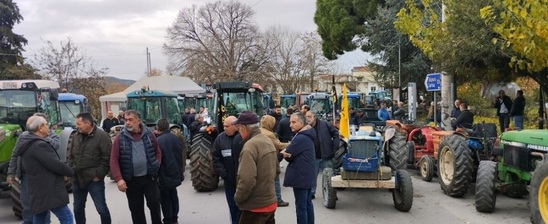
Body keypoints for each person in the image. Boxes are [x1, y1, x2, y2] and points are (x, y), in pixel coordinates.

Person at [110, 110, 162, 224]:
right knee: (136, 210)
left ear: (138, 121)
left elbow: (157, 152)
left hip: (149, 178)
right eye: (126, 120)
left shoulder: (149, 135)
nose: (127, 122)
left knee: (154, 206)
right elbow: (113, 159)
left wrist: (156, 165)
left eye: (130, 120)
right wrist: (119, 179)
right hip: (132, 181)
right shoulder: (120, 139)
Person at [20, 115, 74, 224]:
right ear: (40, 128)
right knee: (66, 217)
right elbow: (55, 164)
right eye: (46, 124)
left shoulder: (27, 142)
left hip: (37, 189)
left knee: (40, 217)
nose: (48, 127)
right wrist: (72, 171)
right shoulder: (39, 145)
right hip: (48, 189)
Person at [7, 113, 59, 224]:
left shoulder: (52, 136)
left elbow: (55, 147)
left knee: (43, 206)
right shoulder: (23, 136)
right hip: (27, 177)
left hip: (44, 177)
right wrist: (11, 173)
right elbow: (15, 154)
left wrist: (43, 136)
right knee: (27, 206)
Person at [234, 111, 279, 224]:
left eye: (239, 127)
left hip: (255, 207)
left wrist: (238, 198)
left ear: (244, 128)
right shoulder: (268, 141)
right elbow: (276, 170)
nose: (238, 131)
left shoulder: (250, 146)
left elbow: (246, 180)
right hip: (270, 202)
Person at [67, 112, 112, 224]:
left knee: (101, 209)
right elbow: (70, 155)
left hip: (94, 180)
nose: (76, 126)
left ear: (88, 123)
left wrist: (98, 175)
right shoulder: (75, 136)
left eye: (79, 123)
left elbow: (107, 158)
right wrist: (70, 169)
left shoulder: (102, 136)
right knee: (78, 209)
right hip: (77, 179)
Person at [280, 112, 316, 224]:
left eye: (293, 122)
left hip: (301, 176)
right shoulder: (306, 135)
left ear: (301, 122)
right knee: (307, 204)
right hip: (307, 175)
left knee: (301, 207)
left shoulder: (301, 138)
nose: (290, 125)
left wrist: (285, 153)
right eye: (290, 122)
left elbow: (289, 154)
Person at [212, 116, 243, 224]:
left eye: (227, 126)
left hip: (244, 181)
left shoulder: (243, 138)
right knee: (233, 207)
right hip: (229, 181)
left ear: (235, 126)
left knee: (245, 209)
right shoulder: (220, 139)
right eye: (224, 126)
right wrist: (224, 175)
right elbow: (216, 159)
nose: (224, 128)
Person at [156, 118, 184, 224]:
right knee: (173, 195)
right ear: (168, 127)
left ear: (158, 128)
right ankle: (175, 218)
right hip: (175, 172)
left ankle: (168, 219)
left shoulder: (158, 141)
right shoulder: (176, 138)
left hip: (164, 174)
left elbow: (158, 160)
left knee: (165, 198)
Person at [305, 111, 339, 199]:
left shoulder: (325, 124)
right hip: (313, 156)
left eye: (309, 116)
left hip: (326, 155)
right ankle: (312, 192)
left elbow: (335, 134)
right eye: (306, 117)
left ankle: (332, 194)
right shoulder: (306, 127)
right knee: (312, 175)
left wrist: (335, 147)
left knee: (330, 175)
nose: (307, 118)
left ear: (314, 117)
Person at [260, 115, 290, 207]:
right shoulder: (269, 134)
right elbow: (279, 145)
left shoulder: (260, 131)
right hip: (271, 157)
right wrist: (290, 144)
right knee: (275, 179)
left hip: (262, 158)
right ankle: (278, 200)